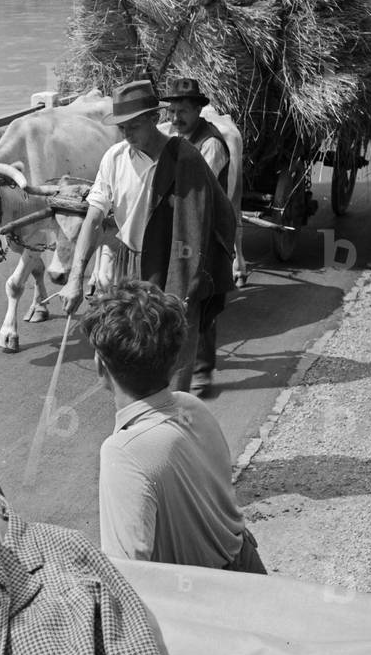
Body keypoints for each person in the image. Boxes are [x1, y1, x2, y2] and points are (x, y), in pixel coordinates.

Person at [60, 79, 236, 394]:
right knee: (122, 351)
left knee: (174, 355)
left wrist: (186, 285)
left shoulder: (186, 159)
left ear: (155, 119)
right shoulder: (114, 158)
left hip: (176, 266)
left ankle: (172, 422)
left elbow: (200, 224)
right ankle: (134, 419)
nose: (126, 135)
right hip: (129, 265)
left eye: (133, 127)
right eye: (121, 128)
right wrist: (76, 276)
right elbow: (95, 217)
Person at [80, 278, 266, 572]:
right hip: (249, 572)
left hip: (204, 604)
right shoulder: (192, 408)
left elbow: (127, 575)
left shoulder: (124, 452)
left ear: (100, 364)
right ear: (175, 358)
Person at [158, 76, 233, 397]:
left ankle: (201, 370)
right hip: (179, 227)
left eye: (183, 111)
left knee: (199, 294)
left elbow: (198, 195)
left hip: (207, 229)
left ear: (198, 111)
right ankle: (174, 365)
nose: (175, 118)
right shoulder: (171, 138)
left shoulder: (210, 145)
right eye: (172, 111)